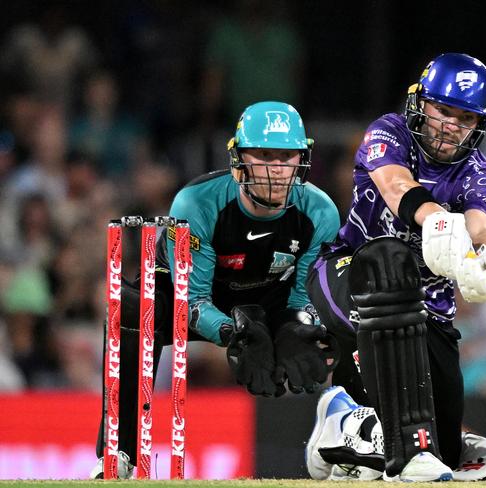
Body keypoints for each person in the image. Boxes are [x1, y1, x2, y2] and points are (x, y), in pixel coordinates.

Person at [90, 101, 340, 478]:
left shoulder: (320, 212)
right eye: (264, 155)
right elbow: (191, 299)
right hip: (188, 291)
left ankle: (356, 439)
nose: (275, 168)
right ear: (239, 159)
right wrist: (233, 332)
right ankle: (118, 453)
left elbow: (303, 297)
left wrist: (294, 327)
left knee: (354, 310)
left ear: (302, 160)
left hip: (272, 296)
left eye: (286, 156)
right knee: (129, 309)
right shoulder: (196, 203)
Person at [305, 53, 486, 482]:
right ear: (420, 103)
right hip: (348, 274)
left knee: (446, 456)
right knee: (390, 259)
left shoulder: (481, 174)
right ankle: (366, 430)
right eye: (443, 110)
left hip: (426, 307)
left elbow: (481, 222)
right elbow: (397, 186)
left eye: (465, 118)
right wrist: (438, 219)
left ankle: (344, 428)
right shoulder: (388, 132)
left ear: (479, 124)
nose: (451, 125)